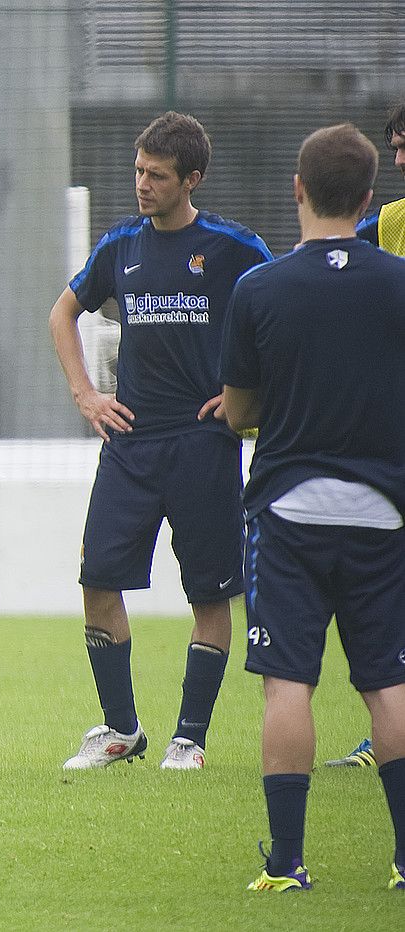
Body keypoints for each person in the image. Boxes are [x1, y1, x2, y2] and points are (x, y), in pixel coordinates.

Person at [47, 112, 271, 771]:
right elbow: (63, 312)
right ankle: (120, 730)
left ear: (191, 179)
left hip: (204, 445)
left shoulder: (233, 248)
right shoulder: (120, 246)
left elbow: (282, 313)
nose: (141, 184)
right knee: (96, 578)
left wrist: (246, 402)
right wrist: (85, 395)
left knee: (207, 593)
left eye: (156, 175)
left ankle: (188, 739)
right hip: (129, 444)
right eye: (138, 171)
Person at [220, 122, 405, 893]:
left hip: (287, 513)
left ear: (295, 189)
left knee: (286, 683)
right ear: (368, 199)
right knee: (388, 686)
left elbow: (235, 412)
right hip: (385, 515)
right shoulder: (399, 281)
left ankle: (287, 863)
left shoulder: (258, 287)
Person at [329, 102, 405, 772]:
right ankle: (383, 732)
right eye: (394, 147)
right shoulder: (385, 225)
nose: (401, 158)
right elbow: (328, 263)